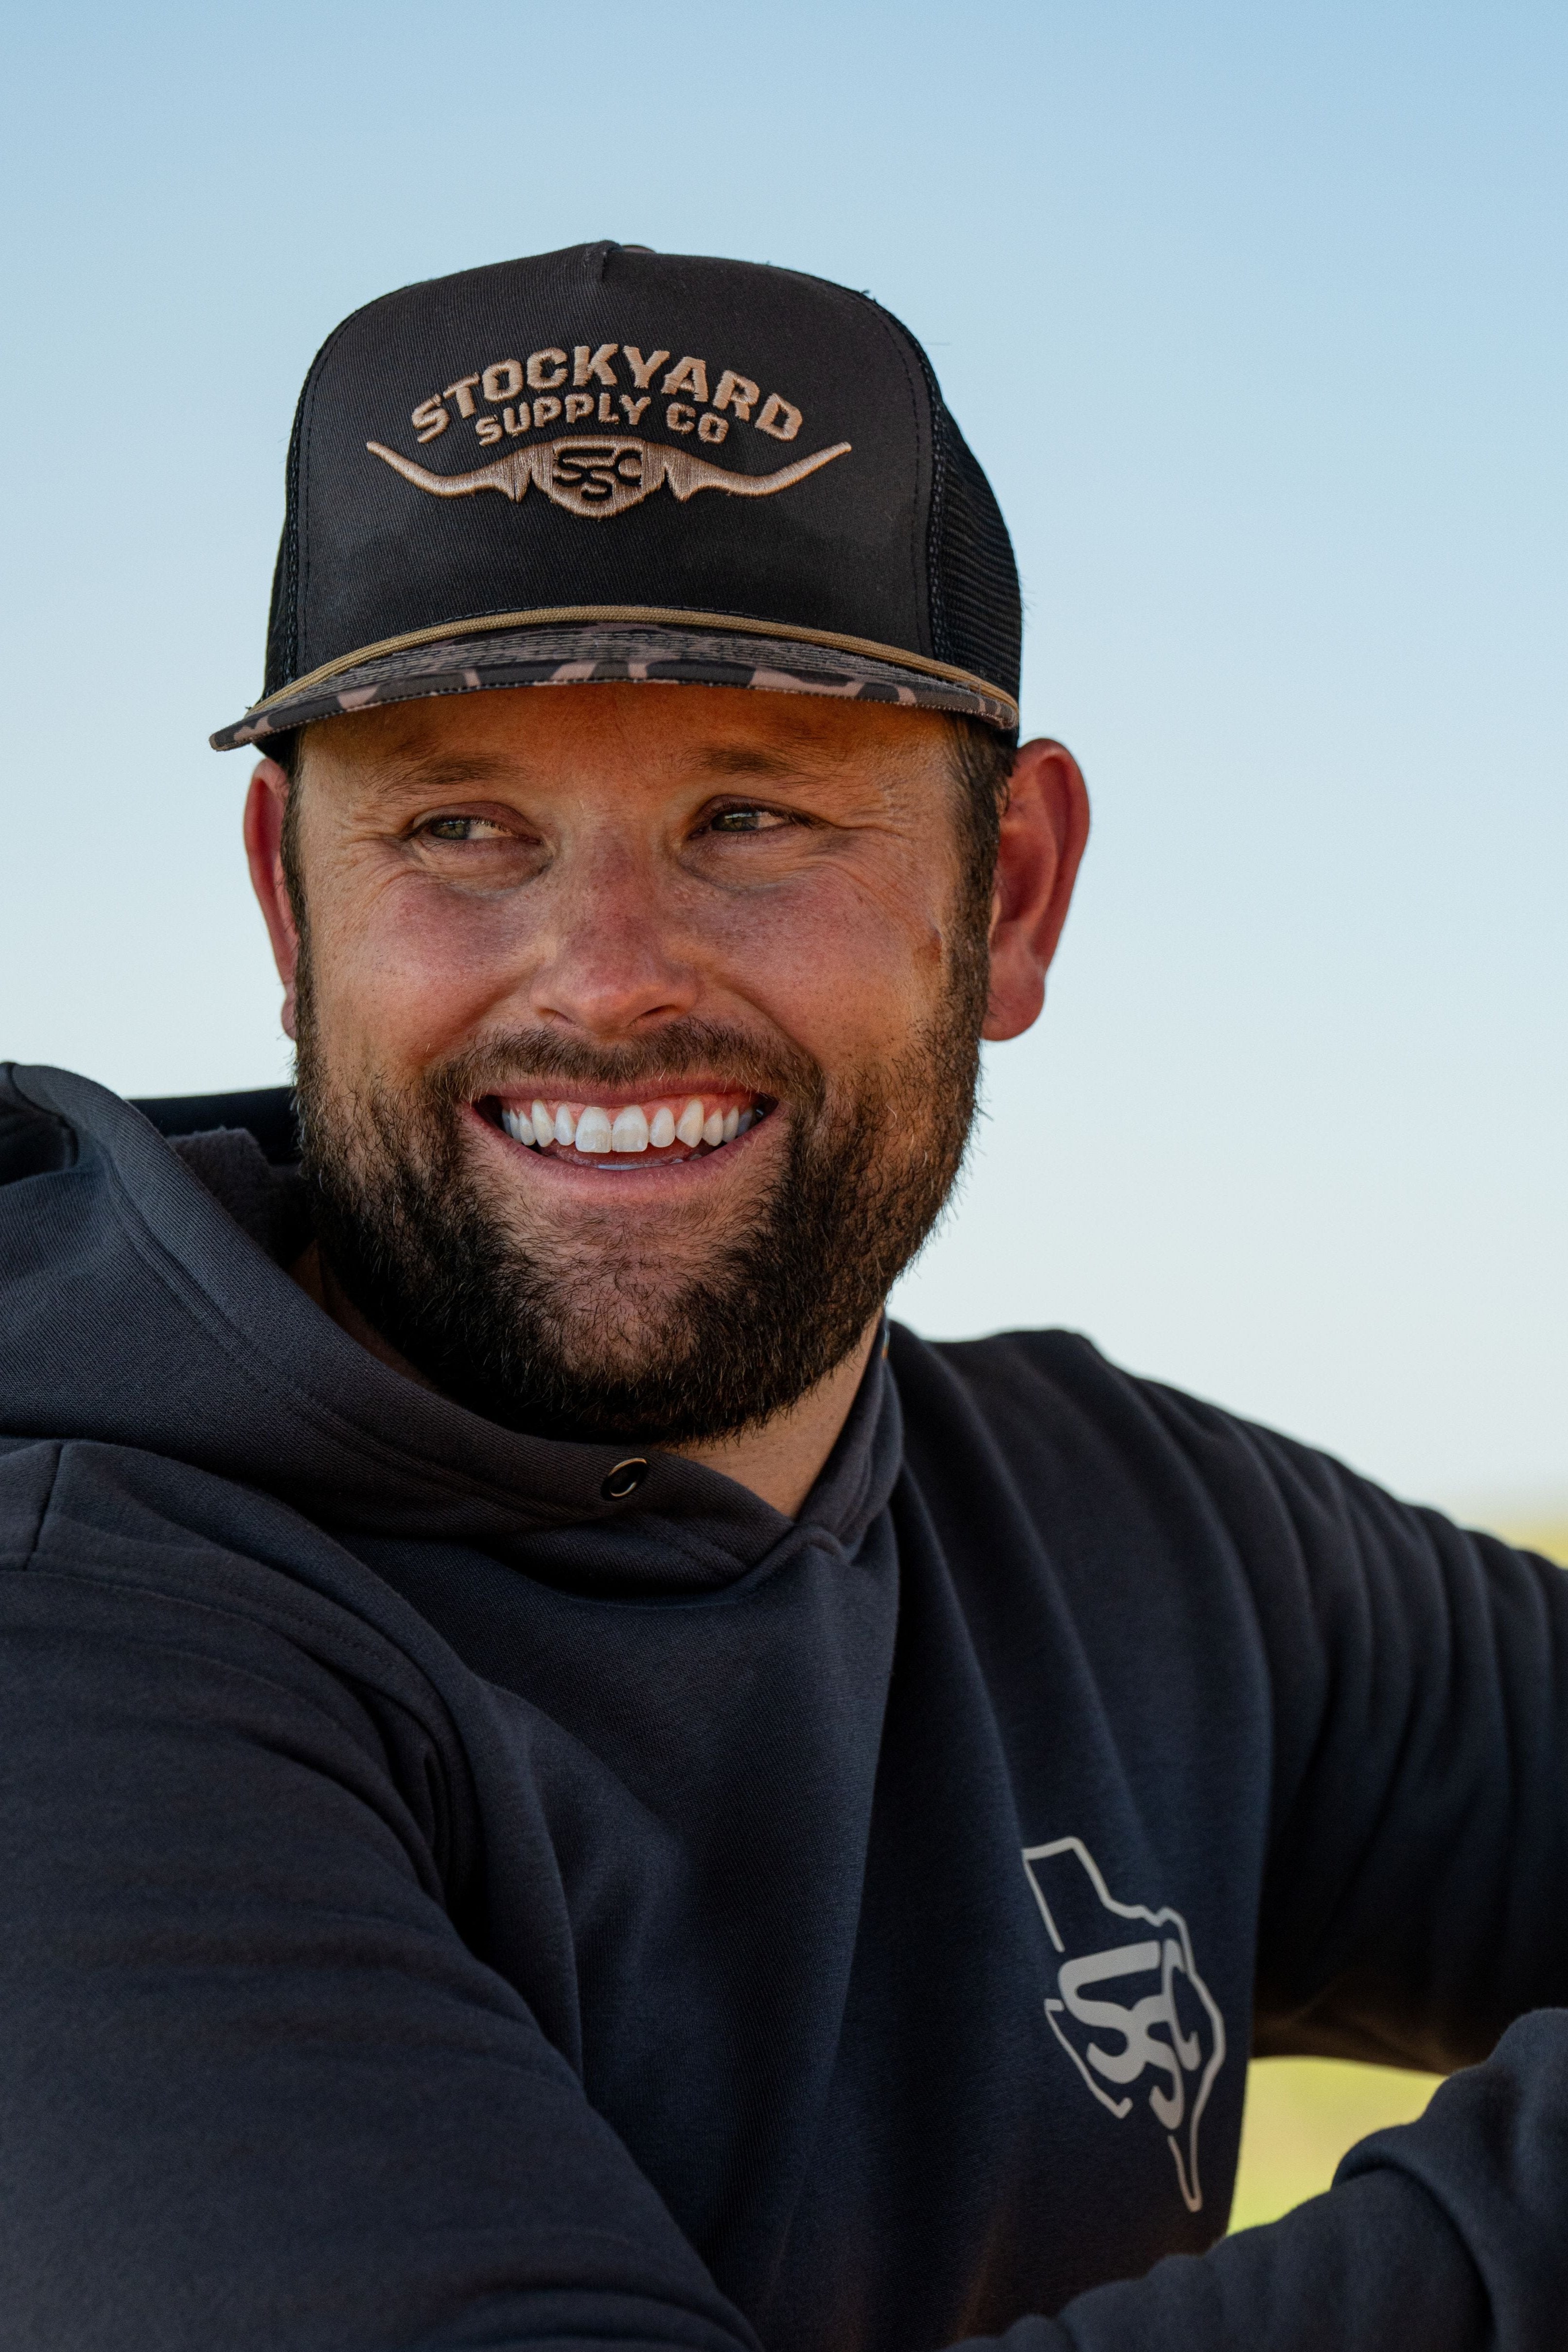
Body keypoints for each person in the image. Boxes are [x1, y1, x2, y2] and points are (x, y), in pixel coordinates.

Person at [1, 241, 1563, 2352]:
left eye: (751, 816)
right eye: (458, 827)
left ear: (1010, 895)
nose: (605, 978)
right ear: (292, 903)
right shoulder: (73, 1636)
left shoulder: (1140, 1547)